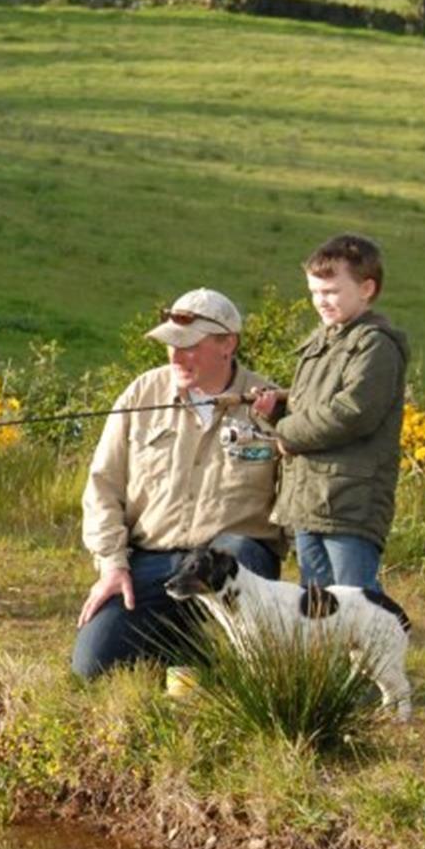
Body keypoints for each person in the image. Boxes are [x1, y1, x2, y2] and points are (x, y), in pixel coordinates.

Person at [73, 288, 286, 680]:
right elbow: (102, 487)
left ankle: (249, 662)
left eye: (189, 345)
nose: (176, 355)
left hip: (234, 559)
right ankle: (186, 644)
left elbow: (300, 498)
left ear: (228, 344)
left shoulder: (270, 405)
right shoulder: (142, 393)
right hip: (152, 559)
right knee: (91, 667)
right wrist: (112, 566)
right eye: (171, 343)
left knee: (239, 554)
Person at [253, 234, 409, 592]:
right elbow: (314, 405)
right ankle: (327, 653)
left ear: (367, 288)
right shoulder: (322, 341)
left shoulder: (375, 345)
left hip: (350, 502)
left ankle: (380, 650)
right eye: (314, 292)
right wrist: (278, 409)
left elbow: (352, 411)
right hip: (311, 497)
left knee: (356, 601)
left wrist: (286, 435)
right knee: (319, 603)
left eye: (332, 292)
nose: (321, 301)